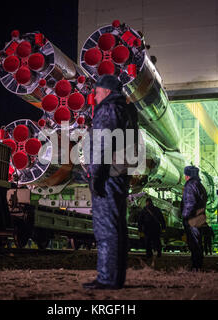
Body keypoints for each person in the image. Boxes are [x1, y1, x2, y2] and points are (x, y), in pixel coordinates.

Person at [82, 74, 137, 290]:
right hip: (120, 172)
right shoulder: (127, 109)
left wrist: (96, 175)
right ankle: (115, 277)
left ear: (105, 91)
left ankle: (107, 279)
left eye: (96, 92)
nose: (94, 97)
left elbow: (102, 145)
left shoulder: (108, 109)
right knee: (117, 226)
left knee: (106, 228)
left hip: (108, 174)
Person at [181, 166, 207, 271]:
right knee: (198, 241)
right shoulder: (200, 185)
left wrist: (185, 217)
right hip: (200, 216)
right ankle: (198, 264)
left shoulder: (190, 185)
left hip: (192, 218)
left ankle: (196, 266)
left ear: (188, 176)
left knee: (194, 243)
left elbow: (189, 202)